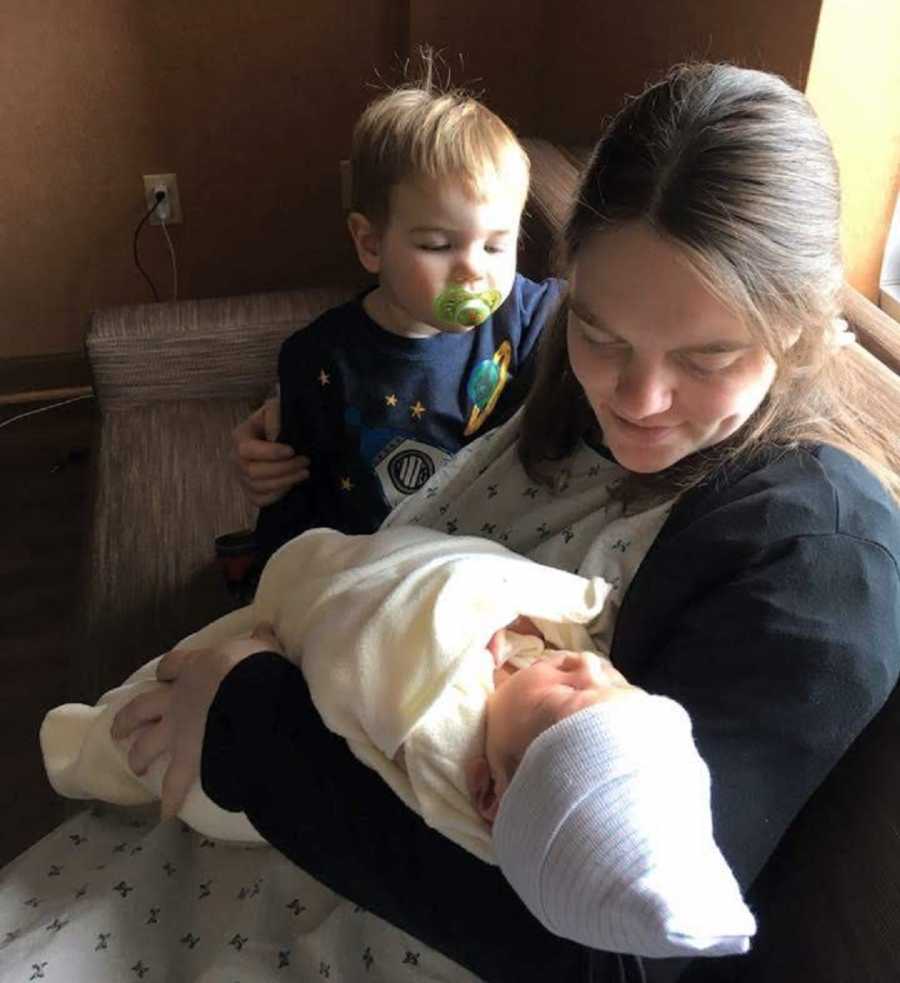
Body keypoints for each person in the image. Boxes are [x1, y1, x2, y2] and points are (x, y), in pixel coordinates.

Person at [12, 61, 900, 983]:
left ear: (799, 329)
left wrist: (243, 714)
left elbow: (613, 958)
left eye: (709, 356)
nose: (636, 399)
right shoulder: (556, 376)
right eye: (602, 333)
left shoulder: (819, 562)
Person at [44, 525, 756, 958]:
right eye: (618, 686)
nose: (585, 666)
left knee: (147, 738)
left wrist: (270, 649)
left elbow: (363, 646)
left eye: (565, 702)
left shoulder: (441, 727)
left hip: (285, 671)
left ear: (487, 789)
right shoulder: (549, 673)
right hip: (326, 590)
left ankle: (80, 747)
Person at [227, 57, 561, 592]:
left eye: (498, 244)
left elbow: (608, 317)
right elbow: (293, 513)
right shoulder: (319, 359)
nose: (474, 268)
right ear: (370, 244)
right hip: (371, 574)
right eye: (437, 245)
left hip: (486, 570)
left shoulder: (529, 318)